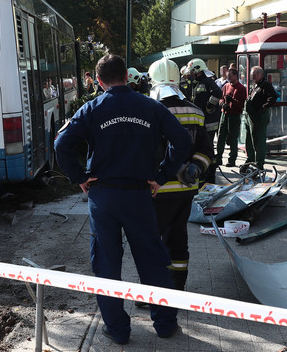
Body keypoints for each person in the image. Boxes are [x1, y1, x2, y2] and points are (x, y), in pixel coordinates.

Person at [54, 54, 188, 345]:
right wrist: (162, 176)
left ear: (99, 82)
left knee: (106, 263)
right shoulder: (151, 107)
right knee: (152, 260)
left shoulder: (92, 108)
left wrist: (79, 177)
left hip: (103, 197)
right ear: (127, 77)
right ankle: (165, 324)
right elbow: (183, 141)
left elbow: (61, 144)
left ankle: (117, 330)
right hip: (139, 195)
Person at [148, 58, 213, 295]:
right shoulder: (195, 111)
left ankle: (153, 292)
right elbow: (207, 151)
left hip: (157, 190)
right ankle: (177, 290)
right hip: (185, 190)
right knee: (178, 239)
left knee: (151, 242)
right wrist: (196, 166)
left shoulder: (150, 111)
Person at [186, 58, 223, 183]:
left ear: (198, 70)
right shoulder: (196, 83)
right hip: (202, 122)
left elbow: (218, 93)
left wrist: (209, 106)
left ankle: (210, 176)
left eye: (192, 71)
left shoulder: (207, 81)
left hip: (209, 123)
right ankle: (205, 174)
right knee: (203, 148)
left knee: (208, 148)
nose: (190, 74)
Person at [244, 66, 277, 170]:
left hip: (259, 117)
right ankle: (250, 159)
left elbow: (273, 97)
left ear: (261, 75)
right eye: (251, 75)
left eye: (254, 75)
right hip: (250, 117)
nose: (252, 77)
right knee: (249, 139)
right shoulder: (255, 85)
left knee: (259, 140)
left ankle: (259, 163)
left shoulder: (265, 85)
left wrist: (263, 107)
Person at [215, 67, 246, 167]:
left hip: (234, 115)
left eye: (230, 76)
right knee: (221, 136)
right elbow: (221, 99)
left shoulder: (241, 88)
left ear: (235, 76)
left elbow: (242, 104)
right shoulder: (226, 86)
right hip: (225, 114)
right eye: (227, 76)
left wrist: (232, 100)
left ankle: (232, 160)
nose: (228, 78)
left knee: (233, 138)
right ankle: (218, 157)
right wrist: (222, 103)